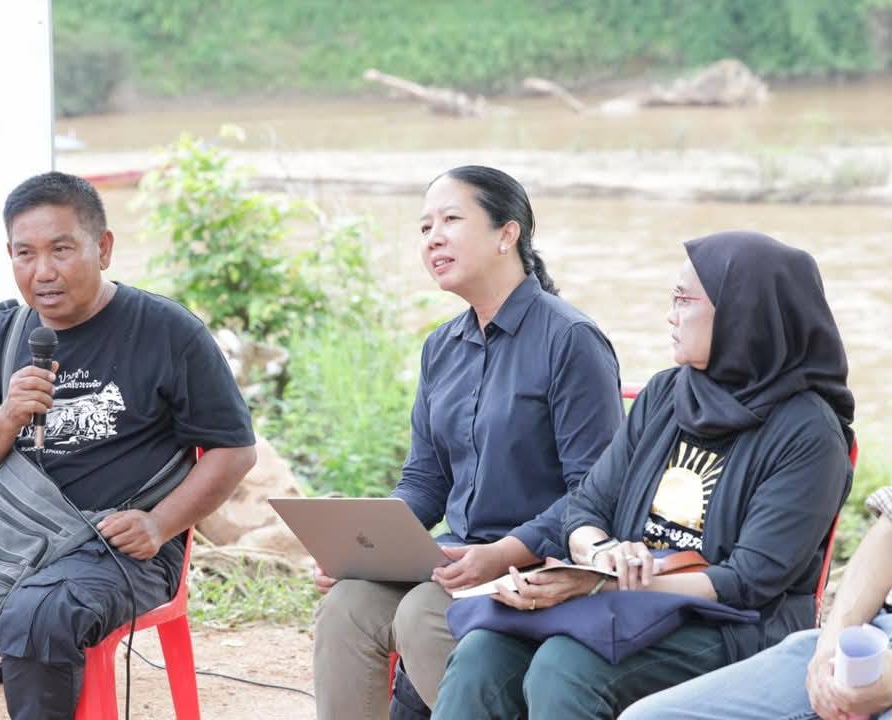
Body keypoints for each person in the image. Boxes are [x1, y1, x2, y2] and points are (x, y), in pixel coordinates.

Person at [0, 171, 257, 719]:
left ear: (103, 248)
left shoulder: (168, 332)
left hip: (113, 546)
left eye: (61, 250)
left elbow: (233, 449)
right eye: (25, 253)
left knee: (38, 613)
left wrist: (159, 524)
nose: (43, 272)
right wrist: (8, 416)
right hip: (4, 535)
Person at [431, 230, 855, 720]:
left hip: (731, 624)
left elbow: (747, 581)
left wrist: (601, 585)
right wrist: (598, 556)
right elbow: (587, 507)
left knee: (567, 668)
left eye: (684, 300)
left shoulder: (808, 433)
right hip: (624, 604)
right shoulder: (667, 394)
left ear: (744, 313)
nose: (670, 315)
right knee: (483, 654)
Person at [312, 165, 625, 719]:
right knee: (349, 603)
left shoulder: (570, 339)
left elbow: (596, 492)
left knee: (425, 611)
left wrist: (505, 552)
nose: (433, 238)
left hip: (541, 565)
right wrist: (366, 547)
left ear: (508, 234)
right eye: (425, 226)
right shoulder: (442, 347)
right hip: (456, 557)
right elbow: (425, 480)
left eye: (451, 220)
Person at [619, 483, 892, 720]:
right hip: (871, 635)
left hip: (741, 616)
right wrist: (830, 648)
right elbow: (887, 533)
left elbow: (749, 578)